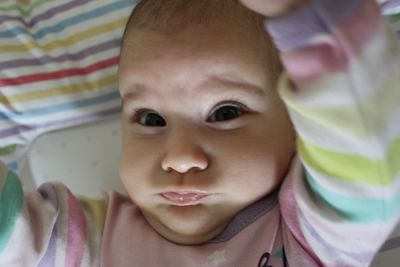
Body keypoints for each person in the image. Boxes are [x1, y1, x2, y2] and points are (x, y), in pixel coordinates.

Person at [1, 0, 399, 266]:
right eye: (150, 119)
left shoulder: (315, 236)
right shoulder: (85, 241)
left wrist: (307, 13)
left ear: (300, 127)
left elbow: (364, 140)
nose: (179, 157)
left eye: (225, 112)